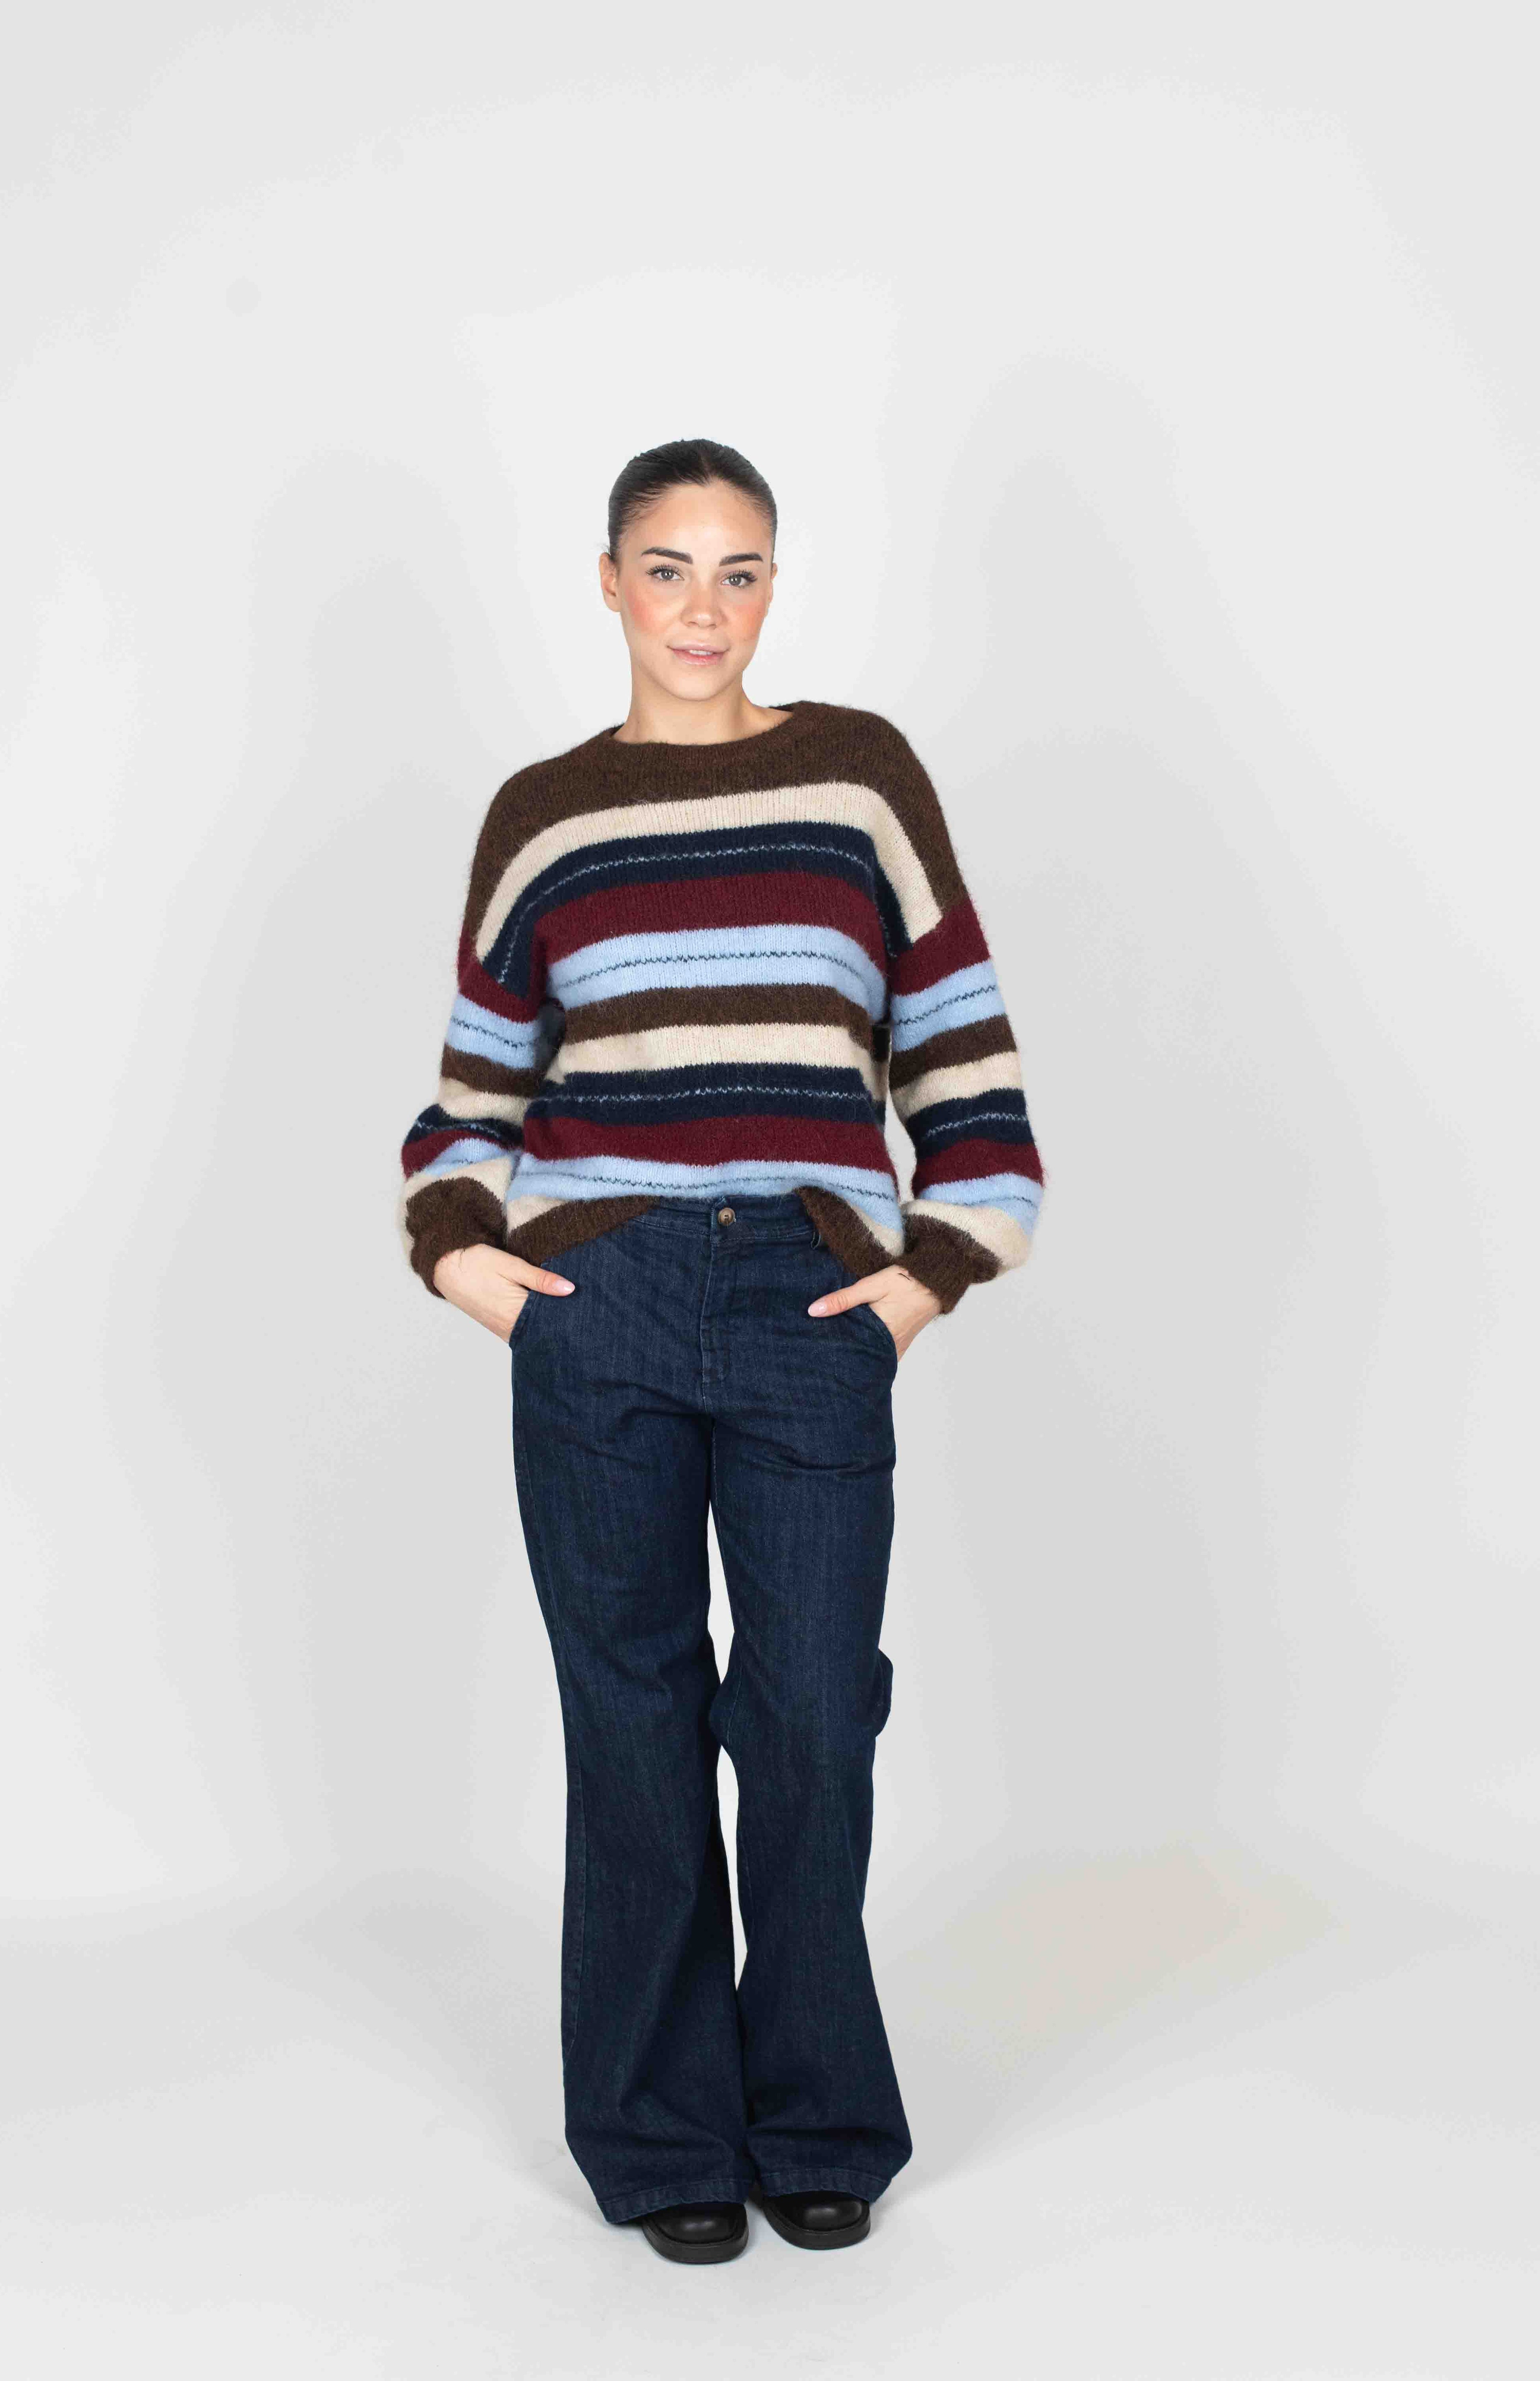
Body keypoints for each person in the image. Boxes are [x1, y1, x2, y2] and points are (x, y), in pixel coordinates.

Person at [397, 437, 1045, 2263]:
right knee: (632, 1721)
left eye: (738, 570)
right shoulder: (545, 815)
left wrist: (929, 1272)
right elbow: (470, 1098)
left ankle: (818, 2111)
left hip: (805, 1299)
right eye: (669, 569)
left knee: (813, 1714)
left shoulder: (858, 780)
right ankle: (662, 2135)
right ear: (609, 582)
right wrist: (466, 1257)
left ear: (775, 586)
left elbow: (964, 1061)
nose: (703, 608)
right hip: (595, 1302)